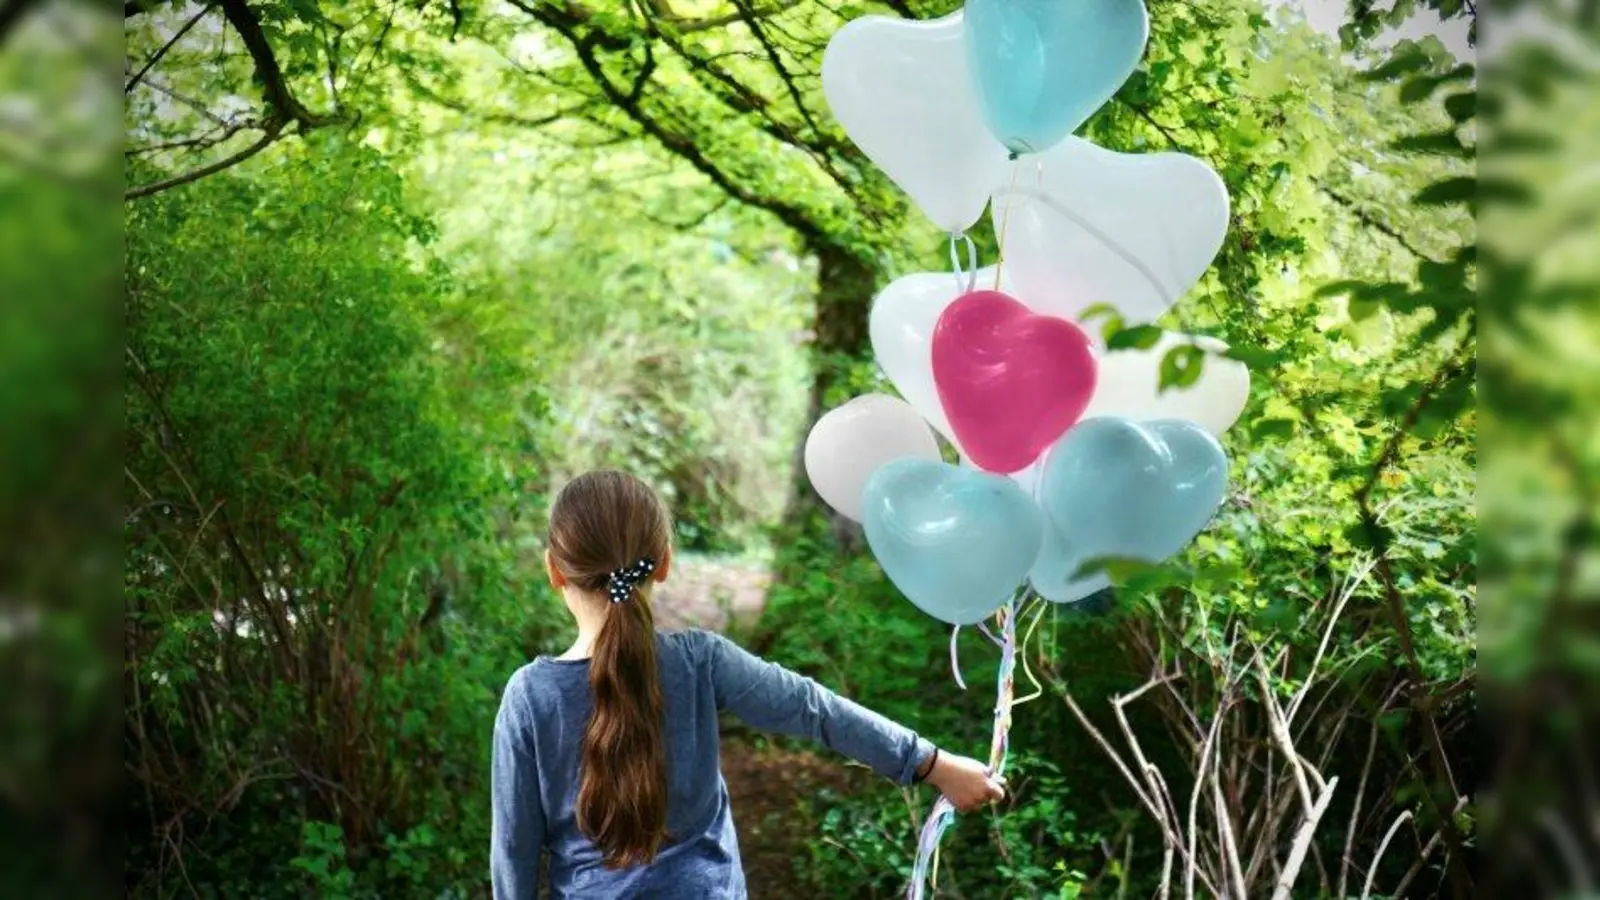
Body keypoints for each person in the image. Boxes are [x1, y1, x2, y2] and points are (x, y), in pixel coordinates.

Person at [491, 469, 1006, 899]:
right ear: (664, 562)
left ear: (555, 571)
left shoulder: (529, 697)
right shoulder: (699, 661)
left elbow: (514, 851)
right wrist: (933, 764)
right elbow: (813, 709)